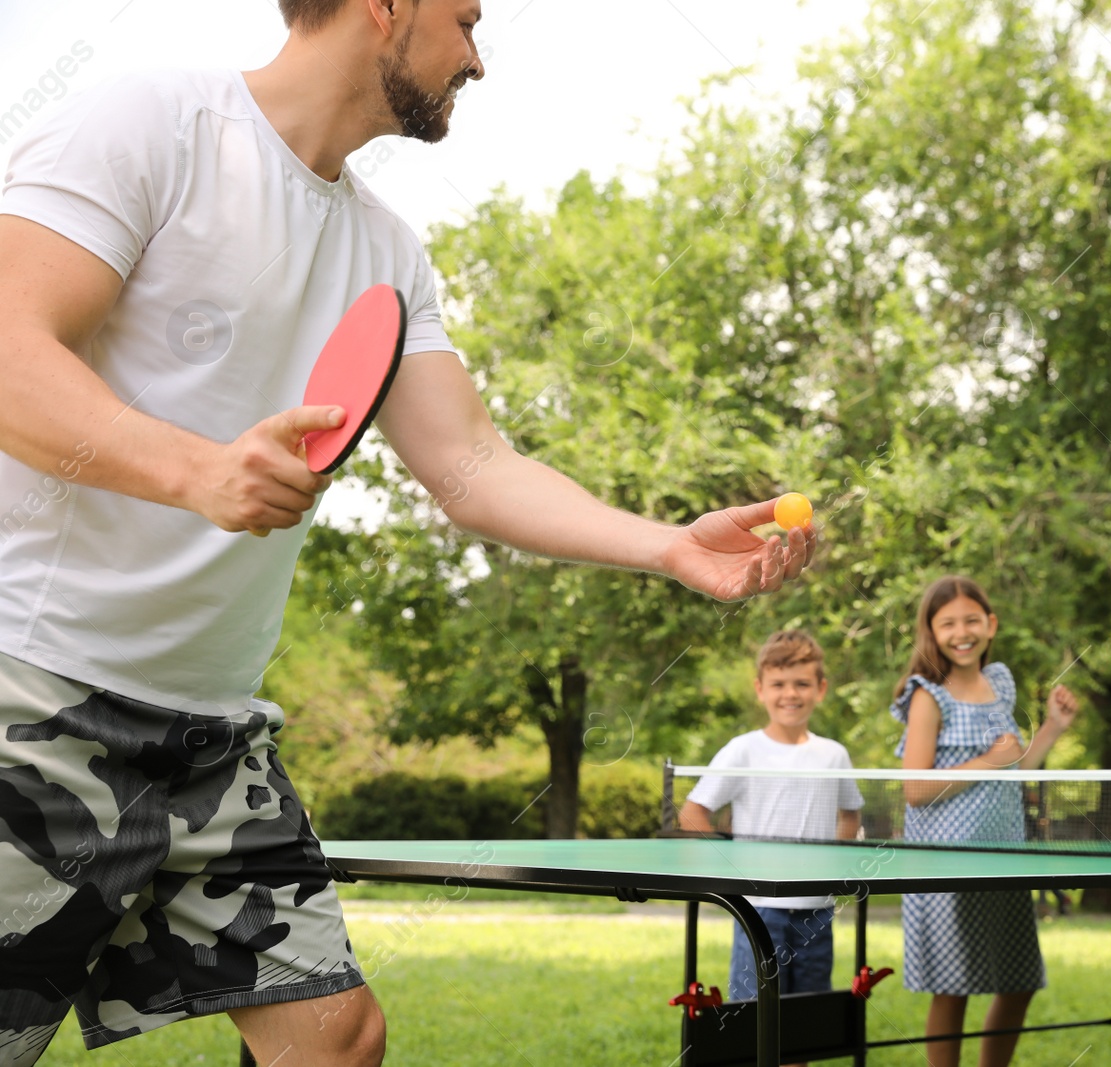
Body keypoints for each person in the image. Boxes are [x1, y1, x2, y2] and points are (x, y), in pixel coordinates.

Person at [0, 3, 814, 1065]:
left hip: (210, 741)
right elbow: (12, 347)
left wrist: (663, 543)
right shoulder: (152, 119)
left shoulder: (383, 251)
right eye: (466, 20)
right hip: (38, 696)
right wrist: (195, 468)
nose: (477, 56)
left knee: (335, 1037)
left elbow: (473, 466)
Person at [891, 575, 1078, 1067]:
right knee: (951, 991)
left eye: (972, 620)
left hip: (1002, 859)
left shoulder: (1001, 681)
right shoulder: (927, 694)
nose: (962, 632)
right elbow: (916, 790)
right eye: (947, 623)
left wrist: (1054, 728)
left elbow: (1014, 765)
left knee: (1019, 982)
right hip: (947, 868)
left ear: (990, 624)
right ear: (931, 630)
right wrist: (987, 762)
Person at [678, 631, 863, 1065]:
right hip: (759, 912)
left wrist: (833, 869)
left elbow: (851, 815)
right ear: (760, 689)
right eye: (779, 684)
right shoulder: (743, 750)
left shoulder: (834, 755)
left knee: (804, 1028)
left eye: (801, 683)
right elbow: (692, 813)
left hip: (817, 913)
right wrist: (733, 873)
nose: (790, 694)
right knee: (755, 1028)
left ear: (820, 689)